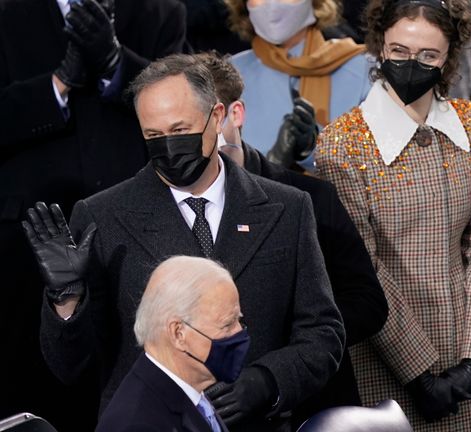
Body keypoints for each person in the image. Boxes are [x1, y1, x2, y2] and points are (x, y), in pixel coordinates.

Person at [23, 53, 345, 432]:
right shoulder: (102, 217)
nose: (169, 147)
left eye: (180, 130)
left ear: (217, 116)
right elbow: (69, 368)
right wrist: (67, 300)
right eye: (154, 136)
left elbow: (324, 332)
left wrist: (268, 382)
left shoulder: (288, 208)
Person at [314, 0, 471, 429]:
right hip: (387, 359)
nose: (412, 64)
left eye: (428, 55)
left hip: (470, 356)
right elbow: (362, 268)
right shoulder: (342, 144)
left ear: (449, 58)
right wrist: (419, 377)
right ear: (380, 47)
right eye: (399, 51)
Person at [0, 0, 185, 429]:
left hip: (132, 232)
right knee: (30, 388)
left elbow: (183, 106)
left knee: (129, 380)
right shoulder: (7, 15)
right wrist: (56, 85)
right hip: (23, 244)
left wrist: (118, 64)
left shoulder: (160, 12)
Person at [195, 51, 389, 427]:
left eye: (207, 119)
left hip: (308, 409)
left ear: (234, 115)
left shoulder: (311, 200)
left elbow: (367, 304)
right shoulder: (159, 206)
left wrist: (293, 348)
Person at [97, 256, 247, 432]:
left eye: (239, 320)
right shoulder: (138, 425)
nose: (240, 332)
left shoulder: (190, 394)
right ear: (178, 333)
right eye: (227, 324)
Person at [223, 0, 371, 169]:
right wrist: (272, 167)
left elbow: (378, 168)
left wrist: (312, 150)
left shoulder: (365, 70)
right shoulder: (229, 72)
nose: (272, 4)